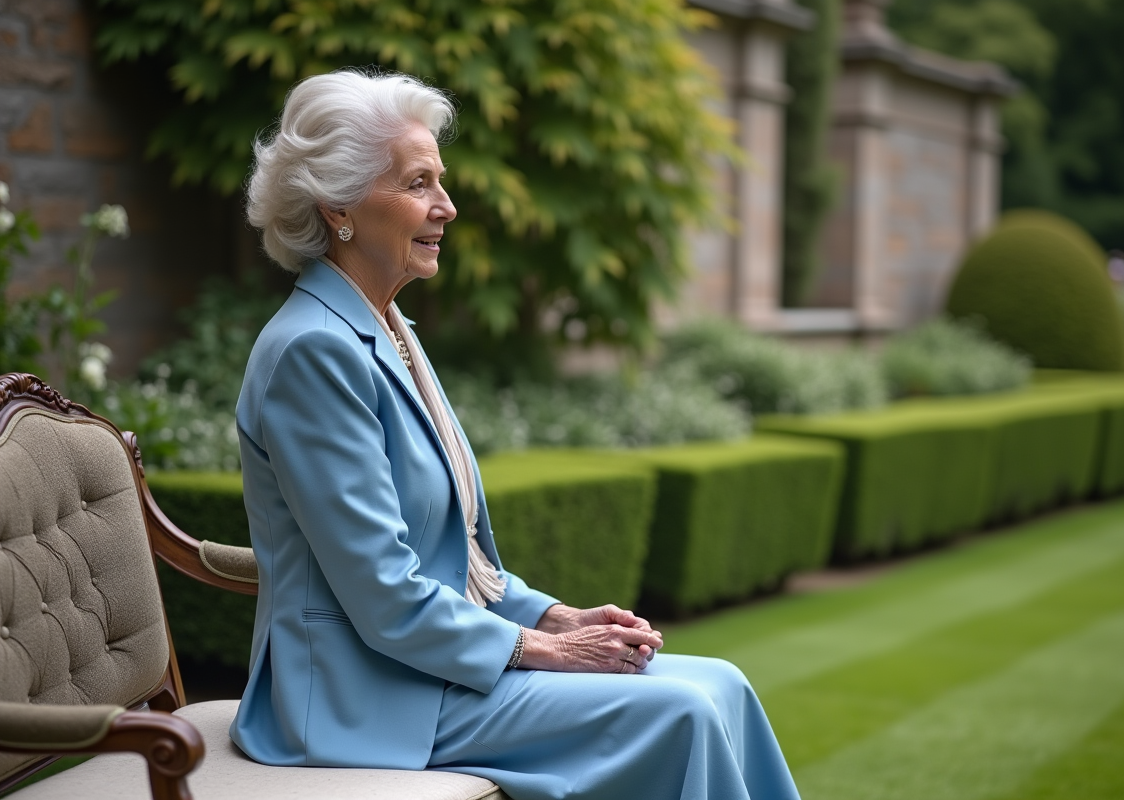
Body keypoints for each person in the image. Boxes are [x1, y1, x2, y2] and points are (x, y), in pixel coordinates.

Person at [231, 69, 801, 800]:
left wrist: (555, 615)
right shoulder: (314, 351)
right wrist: (550, 650)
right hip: (361, 700)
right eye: (418, 184)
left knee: (726, 682)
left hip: (419, 670)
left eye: (440, 180)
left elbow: (455, 558)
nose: (448, 206)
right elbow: (384, 593)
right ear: (338, 207)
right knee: (683, 709)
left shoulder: (386, 327)